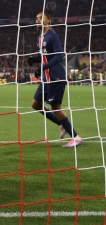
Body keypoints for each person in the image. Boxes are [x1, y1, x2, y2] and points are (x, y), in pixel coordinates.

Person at [26, 12, 83, 147]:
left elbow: (59, 56)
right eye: (36, 18)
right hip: (46, 77)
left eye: (41, 18)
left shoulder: (53, 35)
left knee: (56, 107)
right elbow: (45, 55)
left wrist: (43, 66)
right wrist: (34, 59)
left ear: (48, 21)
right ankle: (62, 124)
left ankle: (76, 137)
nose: (37, 20)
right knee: (36, 104)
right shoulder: (40, 37)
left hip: (56, 76)